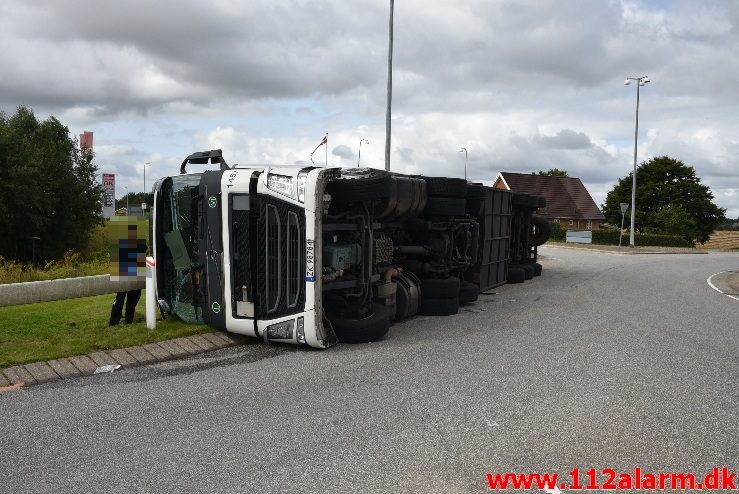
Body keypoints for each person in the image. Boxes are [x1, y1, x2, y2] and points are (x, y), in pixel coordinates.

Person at [109, 222, 147, 326]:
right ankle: (122, 321)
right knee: (125, 298)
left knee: (124, 298)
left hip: (129, 270)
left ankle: (118, 322)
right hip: (128, 270)